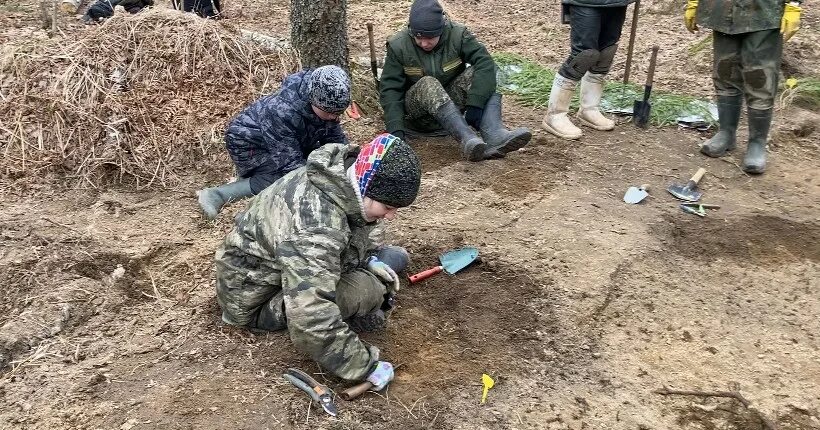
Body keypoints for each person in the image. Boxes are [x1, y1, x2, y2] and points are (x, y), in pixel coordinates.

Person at [215, 133, 420, 387]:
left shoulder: (339, 176)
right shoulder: (317, 225)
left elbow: (354, 230)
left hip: (266, 272)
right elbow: (309, 316)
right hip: (253, 301)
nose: (391, 216)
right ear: (366, 187)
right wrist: (365, 366)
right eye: (387, 207)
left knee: (391, 259)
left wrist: (368, 259)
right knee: (369, 289)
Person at [379, 0, 531, 162]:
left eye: (430, 38)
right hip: (417, 117)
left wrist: (476, 104)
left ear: (442, 29)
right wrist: (396, 131)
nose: (424, 43)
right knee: (428, 83)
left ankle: (494, 134)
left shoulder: (458, 35)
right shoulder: (399, 45)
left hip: (451, 111)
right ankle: (467, 139)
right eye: (418, 38)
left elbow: (485, 63)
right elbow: (390, 89)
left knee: (483, 72)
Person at [197, 65, 351, 219]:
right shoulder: (282, 112)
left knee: (322, 157)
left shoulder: (326, 103)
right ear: (313, 101)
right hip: (249, 145)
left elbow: (334, 139)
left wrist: (348, 161)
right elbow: (291, 166)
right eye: (329, 113)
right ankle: (218, 194)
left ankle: (259, 174)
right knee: (284, 180)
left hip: (288, 141)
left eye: (339, 113)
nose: (334, 117)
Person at [685, 0, 801, 174]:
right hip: (723, 11)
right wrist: (693, 2)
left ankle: (757, 143)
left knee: (759, 77)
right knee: (725, 70)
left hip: (764, 11)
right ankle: (726, 133)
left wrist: (794, 4)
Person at [542, 0, 636, 139]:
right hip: (584, 2)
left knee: (606, 52)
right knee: (583, 55)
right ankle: (555, 115)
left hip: (617, 2)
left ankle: (589, 109)